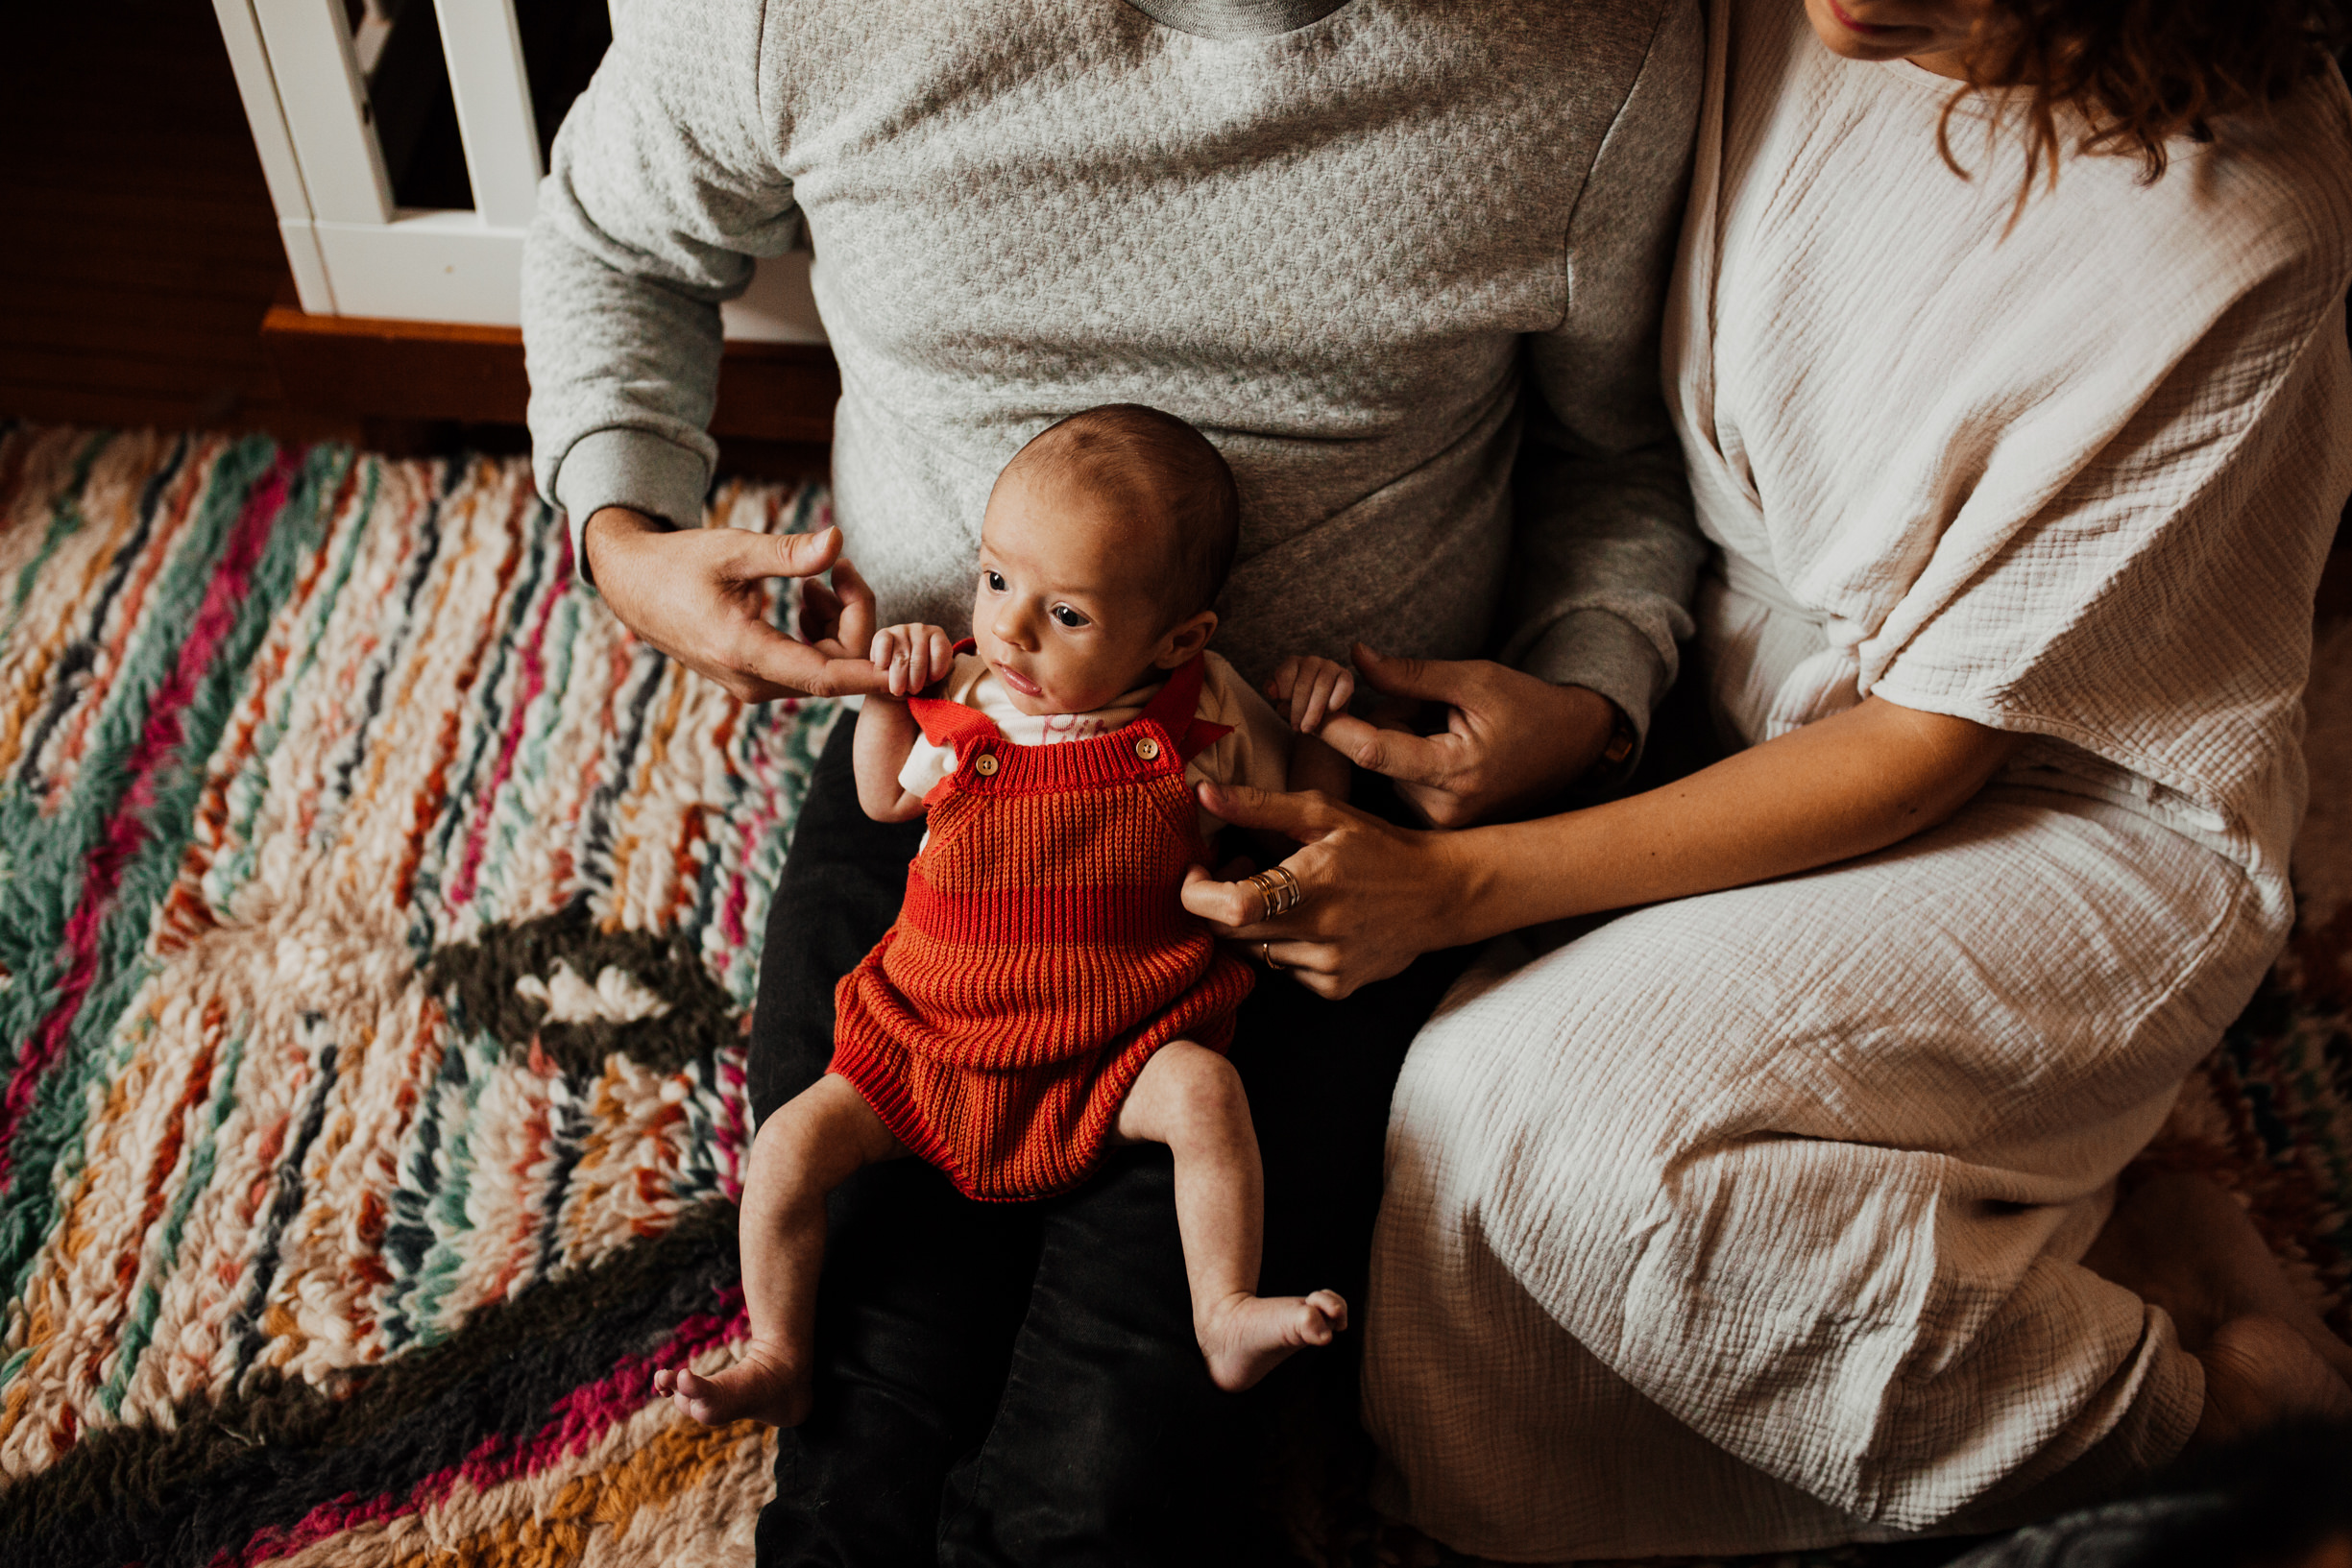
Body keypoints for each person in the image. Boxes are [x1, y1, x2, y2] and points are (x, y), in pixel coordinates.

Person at [519, 0, 1708, 1557]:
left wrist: (1584, 698)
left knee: (1108, 1473)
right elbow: (610, 237)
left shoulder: (1586, 51)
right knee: (857, 1414)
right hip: (948, 825)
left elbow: (1614, 460)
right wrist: (625, 539)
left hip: (1305, 868)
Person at [1182, 0, 2352, 1556]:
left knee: (1522, 1114)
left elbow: (1927, 746)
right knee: (1469, 1315)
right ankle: (2048, 1218)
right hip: (1762, 687)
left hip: (2058, 796)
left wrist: (1457, 882)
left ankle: (2181, 1421)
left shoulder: (2224, 228)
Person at [651, 405, 1362, 1430]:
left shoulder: (1205, 717)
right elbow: (885, 799)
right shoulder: (970, 695)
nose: (1012, 628)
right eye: (995, 581)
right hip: (927, 1039)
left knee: (1207, 1096)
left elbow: (1303, 830)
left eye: (1067, 614)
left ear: (1180, 638)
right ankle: (779, 1346)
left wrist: (1319, 719)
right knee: (788, 1148)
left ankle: (1224, 1307)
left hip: (1120, 1041)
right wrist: (887, 696)